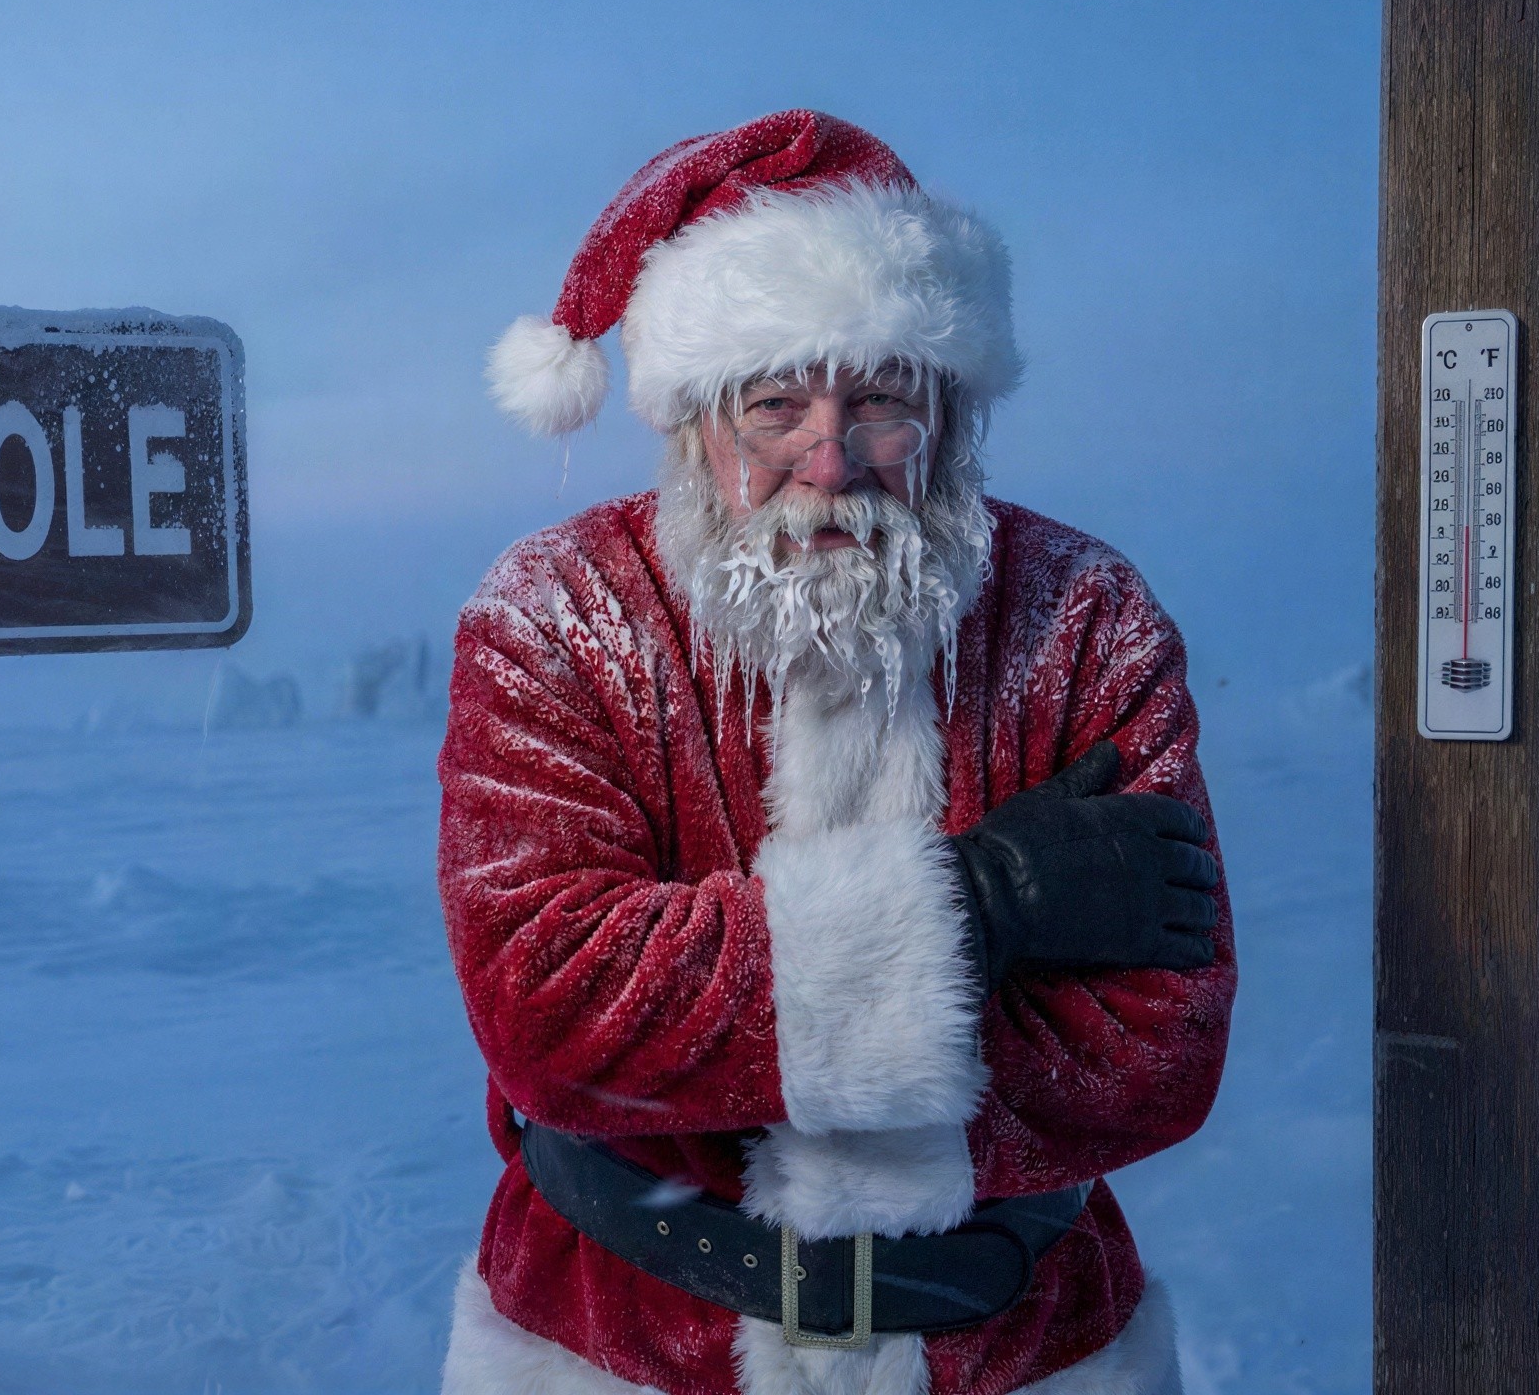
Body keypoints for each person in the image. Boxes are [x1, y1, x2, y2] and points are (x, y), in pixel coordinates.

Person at [436, 111, 1234, 1395]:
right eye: (774, 406)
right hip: (621, 1345)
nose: (827, 459)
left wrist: (712, 1025)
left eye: (877, 401)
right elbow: (550, 1007)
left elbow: (1159, 1050)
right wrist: (979, 904)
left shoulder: (1085, 614)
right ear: (698, 423)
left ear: (946, 412)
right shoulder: (553, 615)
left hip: (1024, 1350)